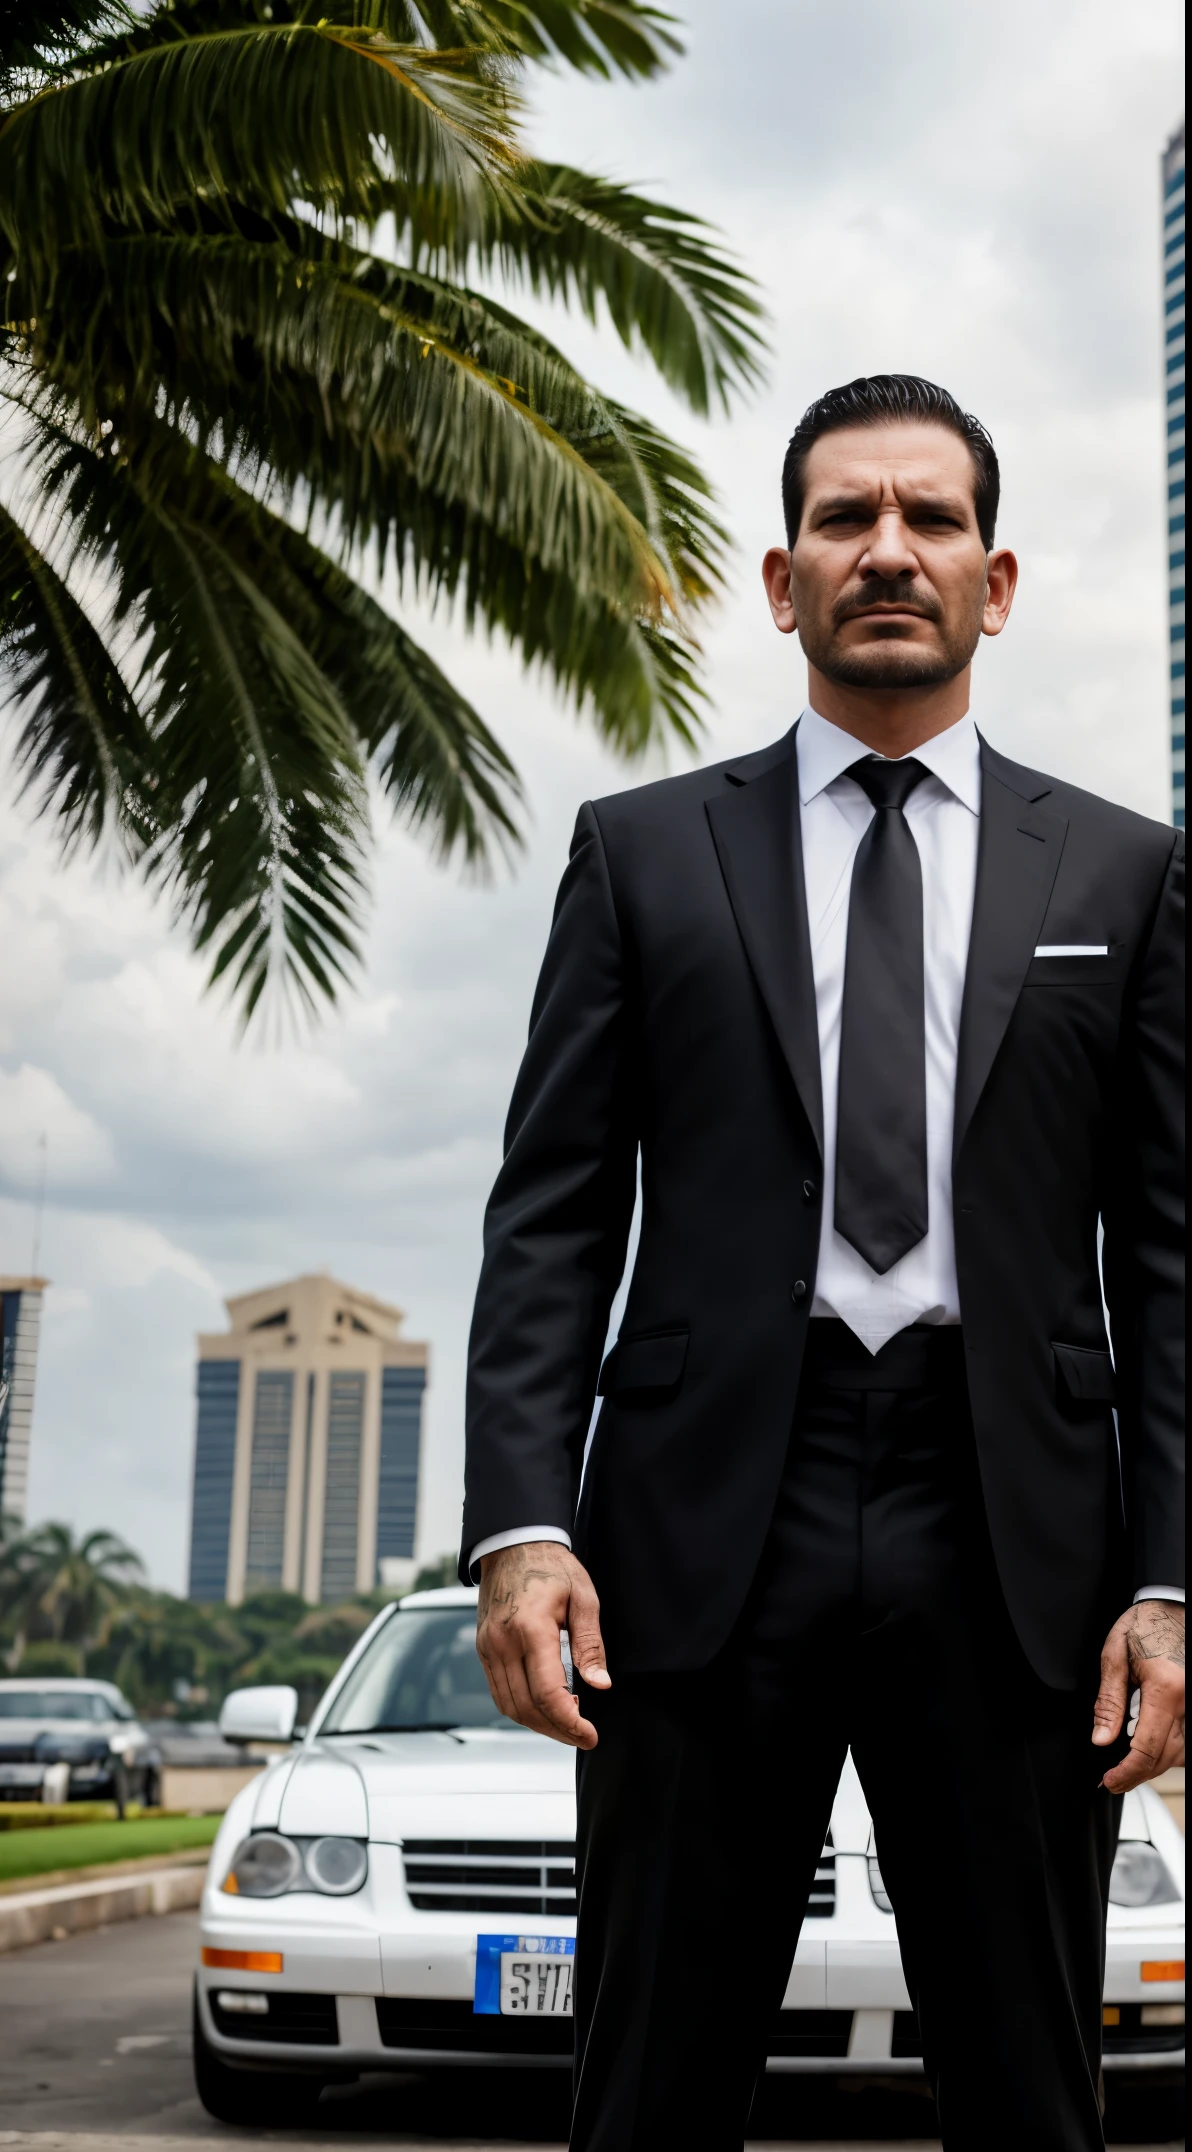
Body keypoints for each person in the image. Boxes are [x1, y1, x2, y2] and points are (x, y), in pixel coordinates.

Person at [460, 374, 1185, 2150]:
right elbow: (555, 1206)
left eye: (930, 520)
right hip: (698, 1534)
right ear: (780, 581)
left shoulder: (1128, 869)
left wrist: (1174, 1576)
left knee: (1034, 2096)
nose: (889, 552)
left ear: (994, 584)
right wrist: (522, 1528)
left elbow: (1169, 1256)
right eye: (845, 521)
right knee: (646, 2094)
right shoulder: (640, 855)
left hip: (1015, 1534)